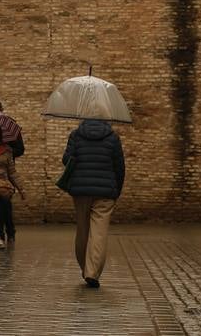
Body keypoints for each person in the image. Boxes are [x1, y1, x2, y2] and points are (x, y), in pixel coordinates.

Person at [62, 118, 125, 288]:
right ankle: (92, 272)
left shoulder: (76, 135)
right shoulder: (113, 137)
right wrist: (116, 190)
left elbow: (66, 160)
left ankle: (85, 269)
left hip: (80, 190)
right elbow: (119, 166)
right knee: (99, 233)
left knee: (82, 230)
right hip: (105, 192)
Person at [0, 98, 24, 242]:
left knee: (5, 202)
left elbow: (20, 149)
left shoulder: (10, 125)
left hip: (6, 172)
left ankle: (9, 230)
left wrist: (7, 152)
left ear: (1, 110)